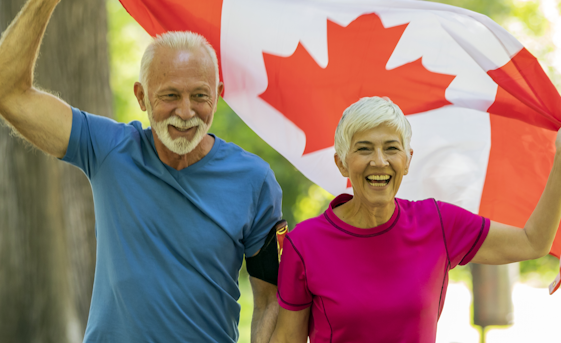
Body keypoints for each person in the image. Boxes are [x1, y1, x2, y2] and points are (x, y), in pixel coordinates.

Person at [0, 0, 284, 342]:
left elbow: (272, 301)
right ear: (141, 96)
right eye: (170, 95)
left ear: (219, 96)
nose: (185, 111)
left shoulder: (255, 180)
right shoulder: (108, 148)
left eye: (199, 95)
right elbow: (9, 92)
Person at [269, 96, 561, 343]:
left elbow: (532, 242)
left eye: (391, 148)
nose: (380, 161)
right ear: (342, 163)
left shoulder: (438, 224)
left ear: (407, 161)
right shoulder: (304, 244)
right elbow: (286, 339)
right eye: (364, 148)